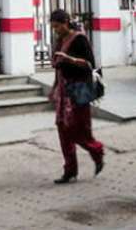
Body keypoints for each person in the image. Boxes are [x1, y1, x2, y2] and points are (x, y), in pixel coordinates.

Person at [49, 9, 104, 184]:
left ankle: (97, 151)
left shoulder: (79, 39)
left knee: (79, 131)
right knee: (63, 130)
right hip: (63, 93)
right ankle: (70, 169)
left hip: (77, 91)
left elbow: (90, 65)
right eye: (53, 27)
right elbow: (58, 68)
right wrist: (54, 87)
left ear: (66, 22)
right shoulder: (59, 41)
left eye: (58, 26)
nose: (56, 30)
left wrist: (70, 60)